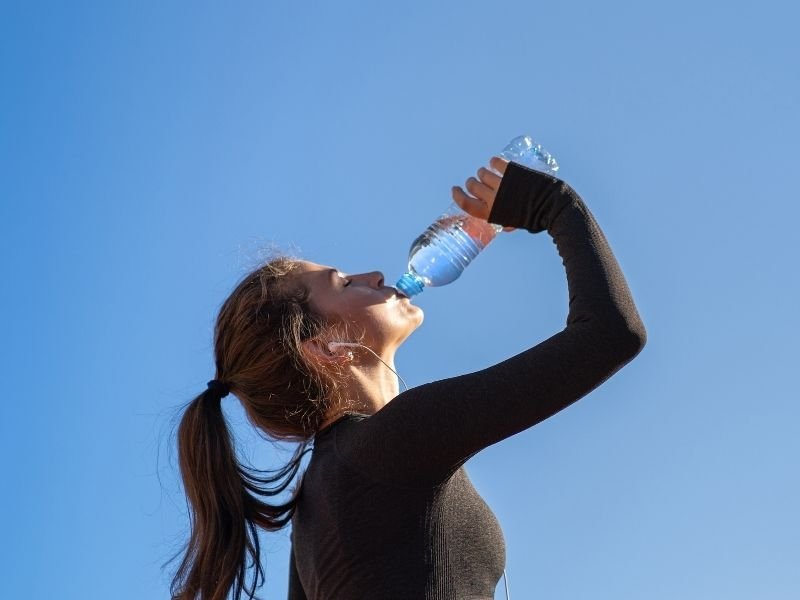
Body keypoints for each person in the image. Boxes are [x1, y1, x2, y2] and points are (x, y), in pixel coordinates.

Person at [167, 155, 647, 600]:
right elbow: (611, 334)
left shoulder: (313, 509)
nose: (374, 275)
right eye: (344, 283)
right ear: (324, 347)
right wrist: (554, 203)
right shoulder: (390, 442)